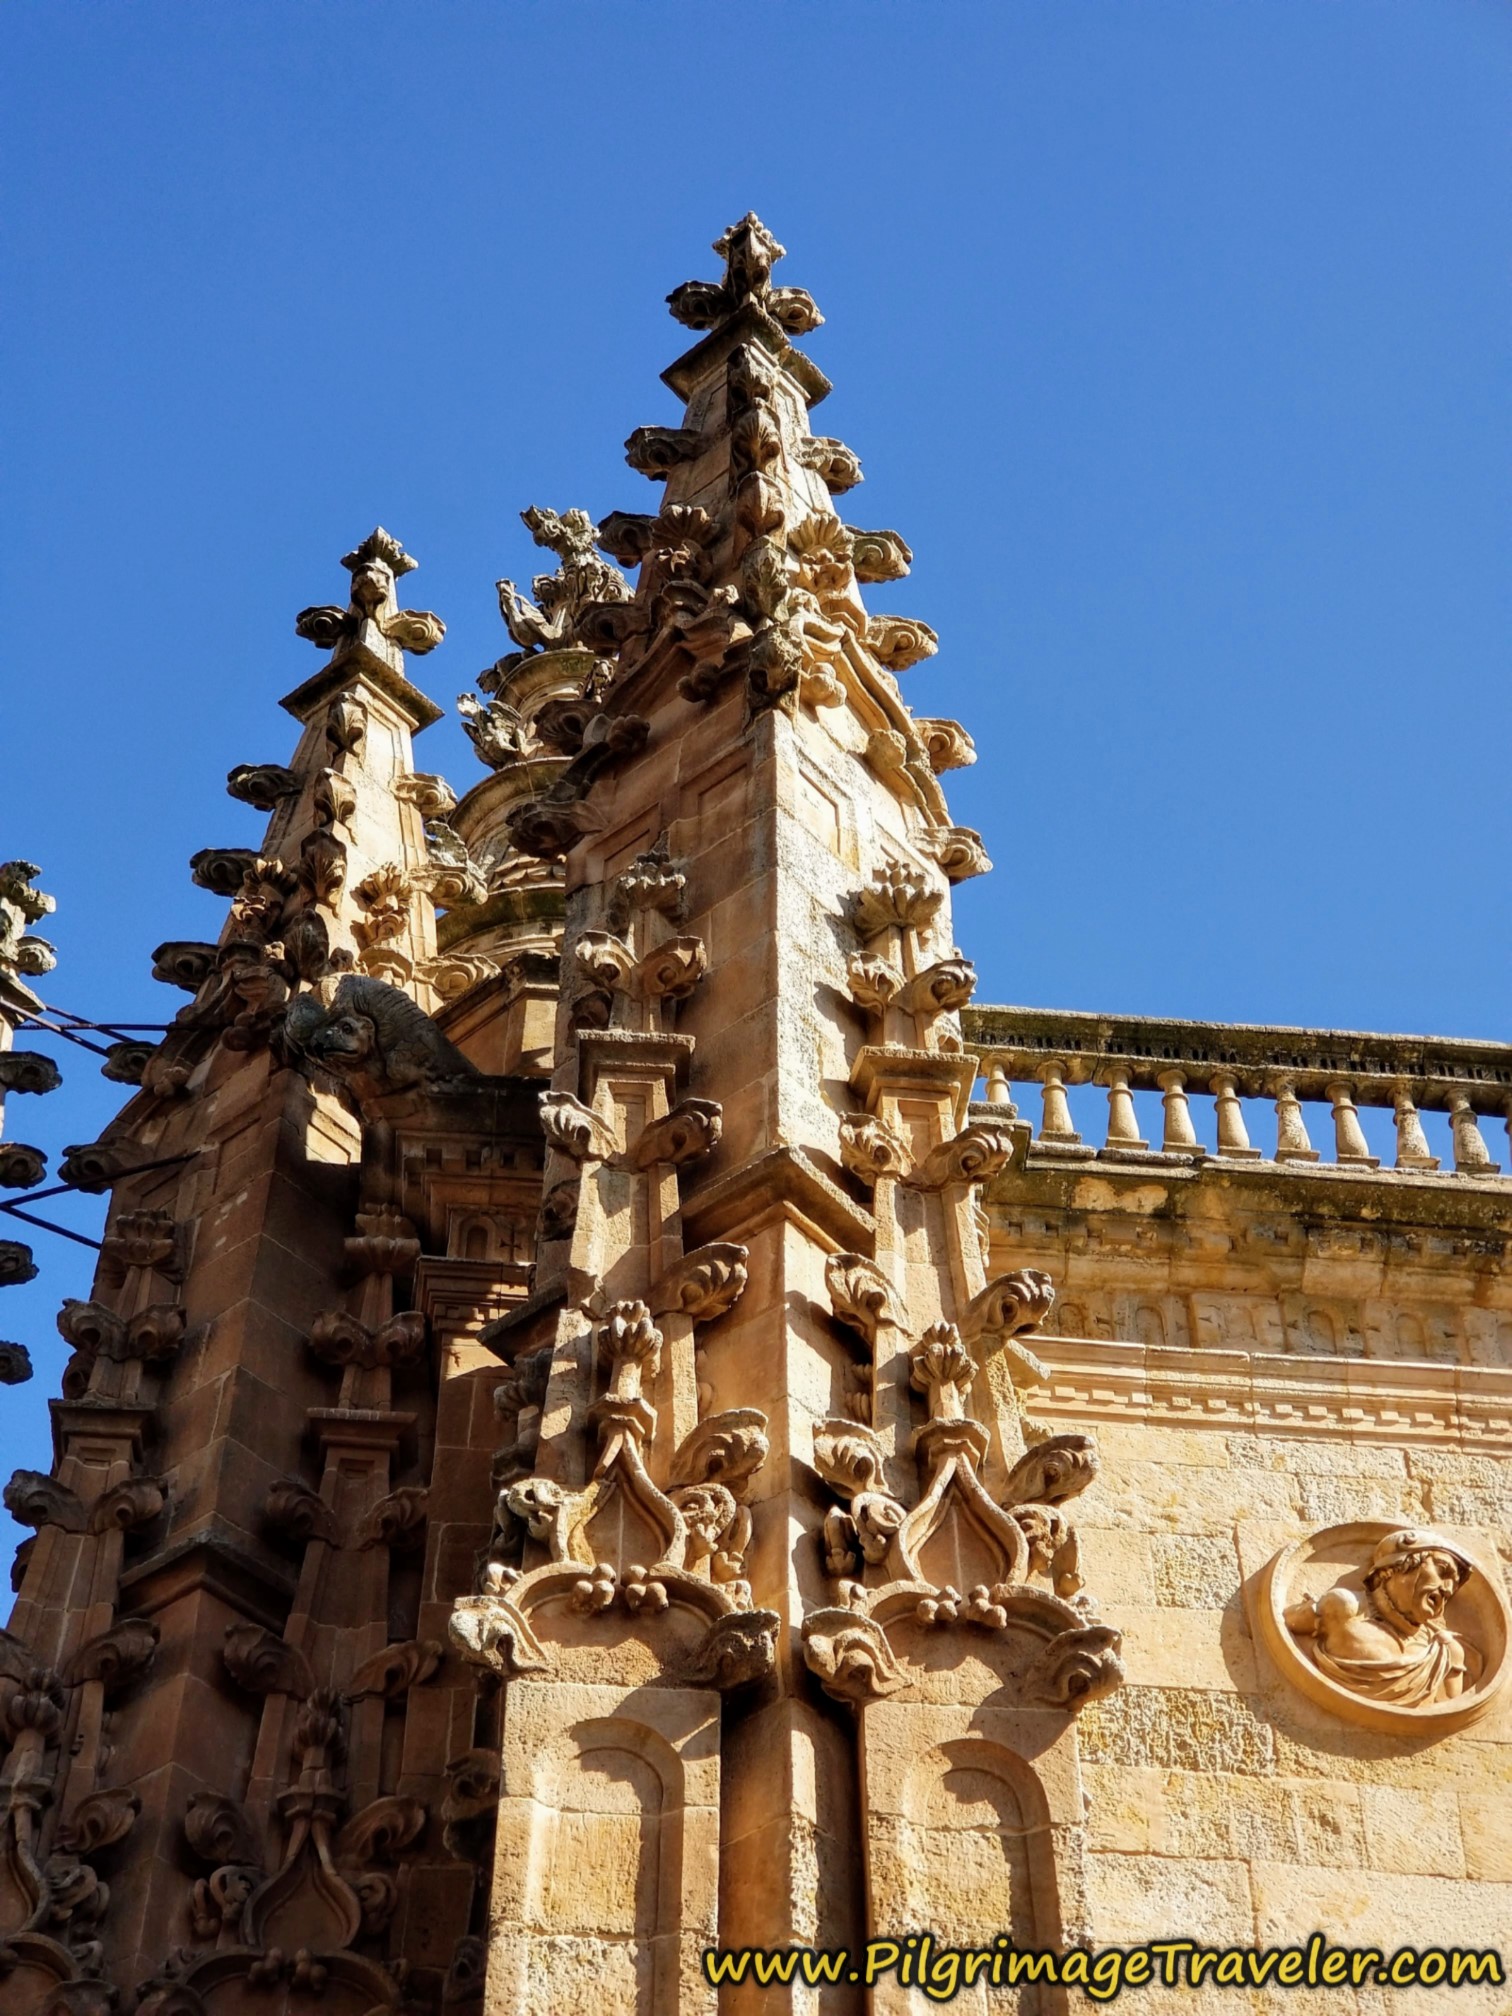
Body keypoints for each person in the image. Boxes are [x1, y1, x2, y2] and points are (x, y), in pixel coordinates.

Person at [1284, 1527, 1481, 1706]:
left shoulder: (1446, 1652)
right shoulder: (1344, 1608)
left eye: (1453, 1584)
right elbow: (1287, 1622)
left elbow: (1444, 1713)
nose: (1448, 1589)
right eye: (1442, 1570)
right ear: (1395, 1567)